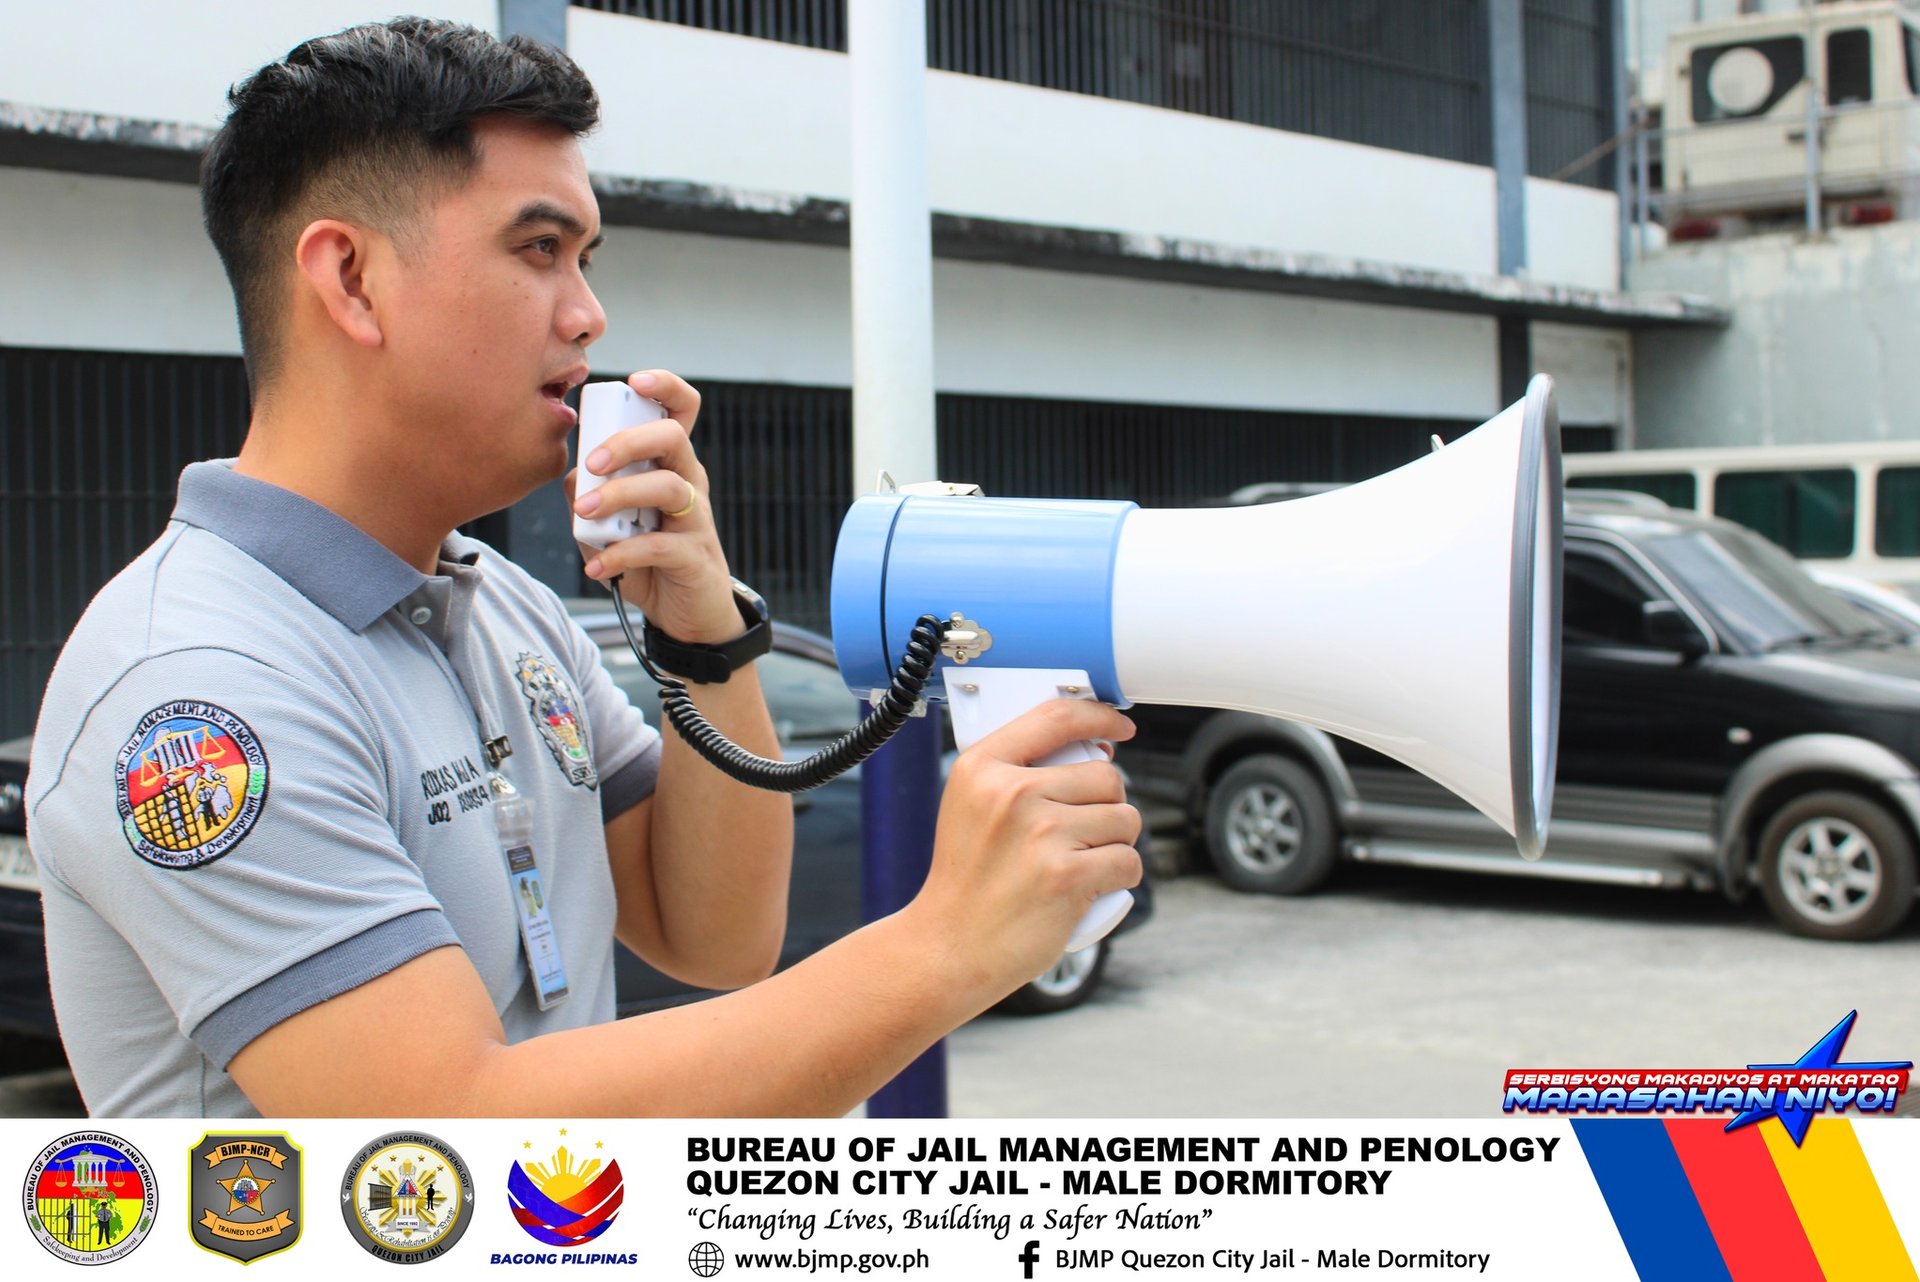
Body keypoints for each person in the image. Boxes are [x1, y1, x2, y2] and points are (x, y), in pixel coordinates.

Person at [26, 16, 1140, 1118]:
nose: (589, 314)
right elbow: (439, 1147)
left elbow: (715, 936)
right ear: (352, 278)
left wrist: (704, 631)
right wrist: (943, 947)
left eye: (585, 259)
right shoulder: (198, 687)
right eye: (538, 249)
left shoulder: (504, 605)